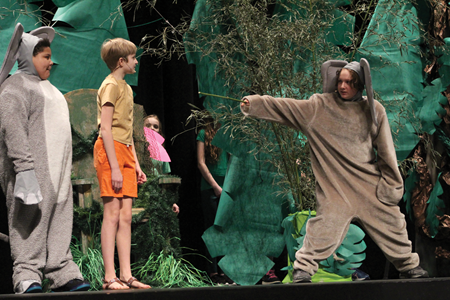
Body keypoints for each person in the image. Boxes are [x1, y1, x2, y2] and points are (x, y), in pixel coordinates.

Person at [240, 59, 429, 282]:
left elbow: (386, 151)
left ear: (359, 85)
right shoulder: (319, 107)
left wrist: (392, 186)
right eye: (340, 81)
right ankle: (303, 268)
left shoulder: (374, 109)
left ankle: (408, 266)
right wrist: (254, 104)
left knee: (393, 225)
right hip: (336, 189)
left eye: (349, 82)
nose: (343, 86)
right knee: (324, 227)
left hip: (369, 187)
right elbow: (285, 107)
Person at [0, 23, 90, 293]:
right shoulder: (15, 87)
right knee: (29, 219)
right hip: (29, 172)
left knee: (60, 218)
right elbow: (11, 128)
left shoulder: (51, 90)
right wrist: (25, 169)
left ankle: (62, 270)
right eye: (46, 57)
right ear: (28, 56)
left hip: (58, 174)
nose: (52, 62)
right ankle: (27, 272)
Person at [94, 38, 150, 290]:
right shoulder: (110, 86)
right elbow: (106, 128)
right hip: (110, 151)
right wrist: (115, 166)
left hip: (125, 150)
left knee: (126, 216)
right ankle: (109, 276)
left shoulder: (126, 88)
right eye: (133, 57)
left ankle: (126, 274)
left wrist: (135, 164)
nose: (136, 61)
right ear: (121, 61)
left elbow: (127, 131)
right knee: (113, 214)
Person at [197, 117, 234, 285]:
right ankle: (213, 271)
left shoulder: (226, 134)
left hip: (226, 188)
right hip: (210, 188)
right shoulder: (203, 134)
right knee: (213, 229)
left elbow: (232, 162)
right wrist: (215, 186)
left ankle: (225, 270)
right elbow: (201, 163)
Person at [143, 114, 179, 214]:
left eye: (156, 126)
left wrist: (170, 202)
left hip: (158, 195)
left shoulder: (161, 151)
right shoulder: (138, 149)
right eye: (148, 125)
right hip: (141, 194)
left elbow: (165, 179)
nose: (152, 128)